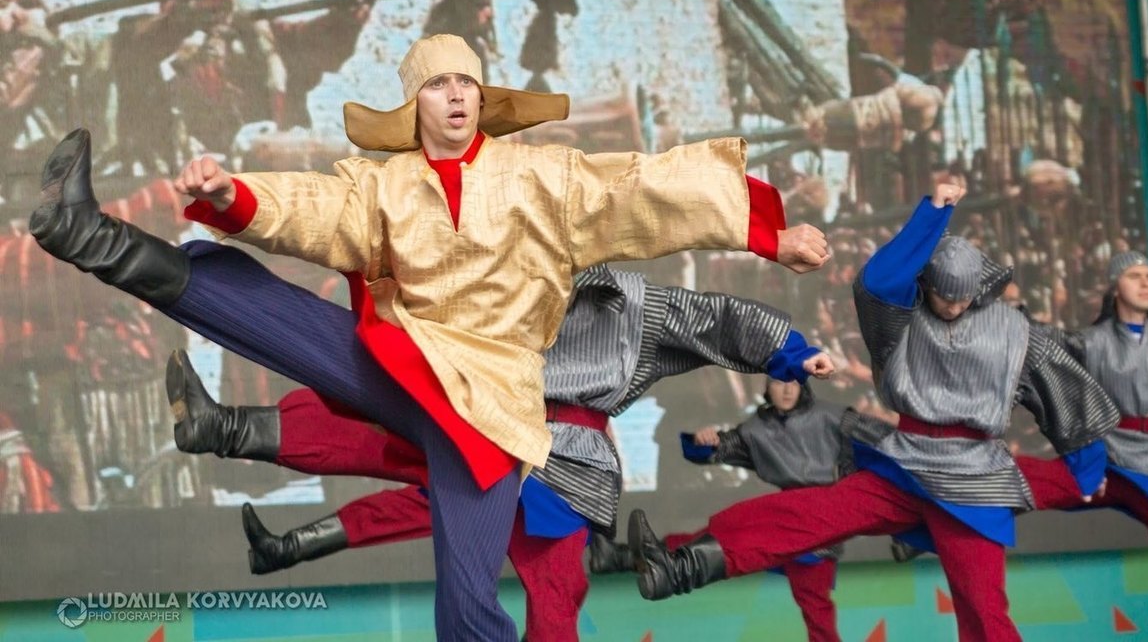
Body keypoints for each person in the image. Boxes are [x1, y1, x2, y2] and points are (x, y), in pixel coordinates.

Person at [30, 33, 829, 641]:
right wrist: (230, 193)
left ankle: (234, 428)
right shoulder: (382, 186)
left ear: (482, 99)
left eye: (466, 83)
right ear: (415, 102)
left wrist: (771, 236)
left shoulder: (545, 180)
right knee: (257, 304)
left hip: (488, 412)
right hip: (404, 364)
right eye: (439, 84)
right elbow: (312, 211)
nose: (455, 95)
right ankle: (87, 234)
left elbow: (648, 191)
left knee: (468, 606)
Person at [167, 264, 833, 641]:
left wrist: (789, 351)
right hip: (480, 425)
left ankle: (232, 436)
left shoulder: (635, 302)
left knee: (554, 592)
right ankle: (226, 428)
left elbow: (715, 317)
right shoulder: (501, 271)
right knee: (381, 426)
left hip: (561, 458)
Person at [626, 183, 1120, 642]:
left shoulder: (1016, 333)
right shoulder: (903, 317)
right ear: (927, 283)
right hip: (906, 463)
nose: (951, 306)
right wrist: (932, 215)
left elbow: (1064, 390)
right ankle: (686, 566)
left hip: (973, 481)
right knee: (806, 513)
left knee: (983, 607)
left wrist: (1087, 463)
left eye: (962, 297)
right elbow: (879, 281)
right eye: (943, 295)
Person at [591, 376, 893, 642]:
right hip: (784, 515)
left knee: (815, 608)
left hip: (820, 523)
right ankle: (623, 557)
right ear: (766, 386)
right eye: (778, 382)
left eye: (793, 382)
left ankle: (625, 558)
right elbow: (720, 448)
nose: (787, 389)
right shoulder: (756, 429)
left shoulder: (834, 417)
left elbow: (891, 442)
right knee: (715, 543)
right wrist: (705, 442)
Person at [1017, 251, 1148, 637]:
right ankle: (923, 508)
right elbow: (1042, 342)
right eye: (1134, 276)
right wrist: (1011, 311)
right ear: (1115, 287)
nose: (1146, 282)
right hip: (1110, 463)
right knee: (1017, 481)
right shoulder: (1093, 342)